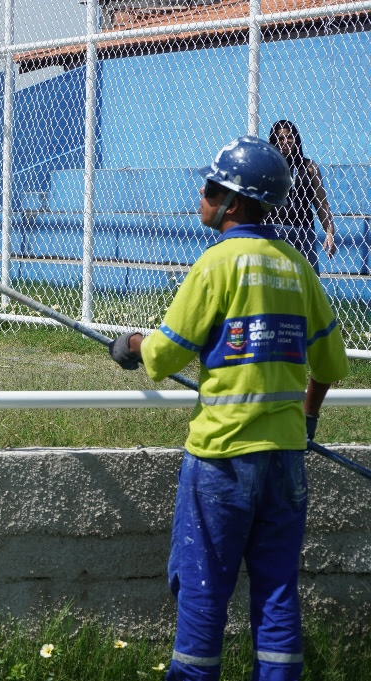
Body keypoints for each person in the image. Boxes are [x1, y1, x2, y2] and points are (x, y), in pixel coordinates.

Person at [108, 136, 349, 681]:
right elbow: (330, 365)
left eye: (211, 187)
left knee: (202, 587)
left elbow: (167, 354)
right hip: (286, 460)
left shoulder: (215, 265)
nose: (202, 193)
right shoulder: (297, 267)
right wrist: (305, 423)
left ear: (233, 203)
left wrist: (131, 345)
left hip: (221, 459)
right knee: (277, 591)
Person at [266, 120, 336, 273]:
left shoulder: (309, 167)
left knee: (307, 278)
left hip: (303, 230)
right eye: (280, 139)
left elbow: (321, 203)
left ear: (296, 139)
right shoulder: (268, 167)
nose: (285, 142)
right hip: (274, 230)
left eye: (289, 137)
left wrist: (329, 231)